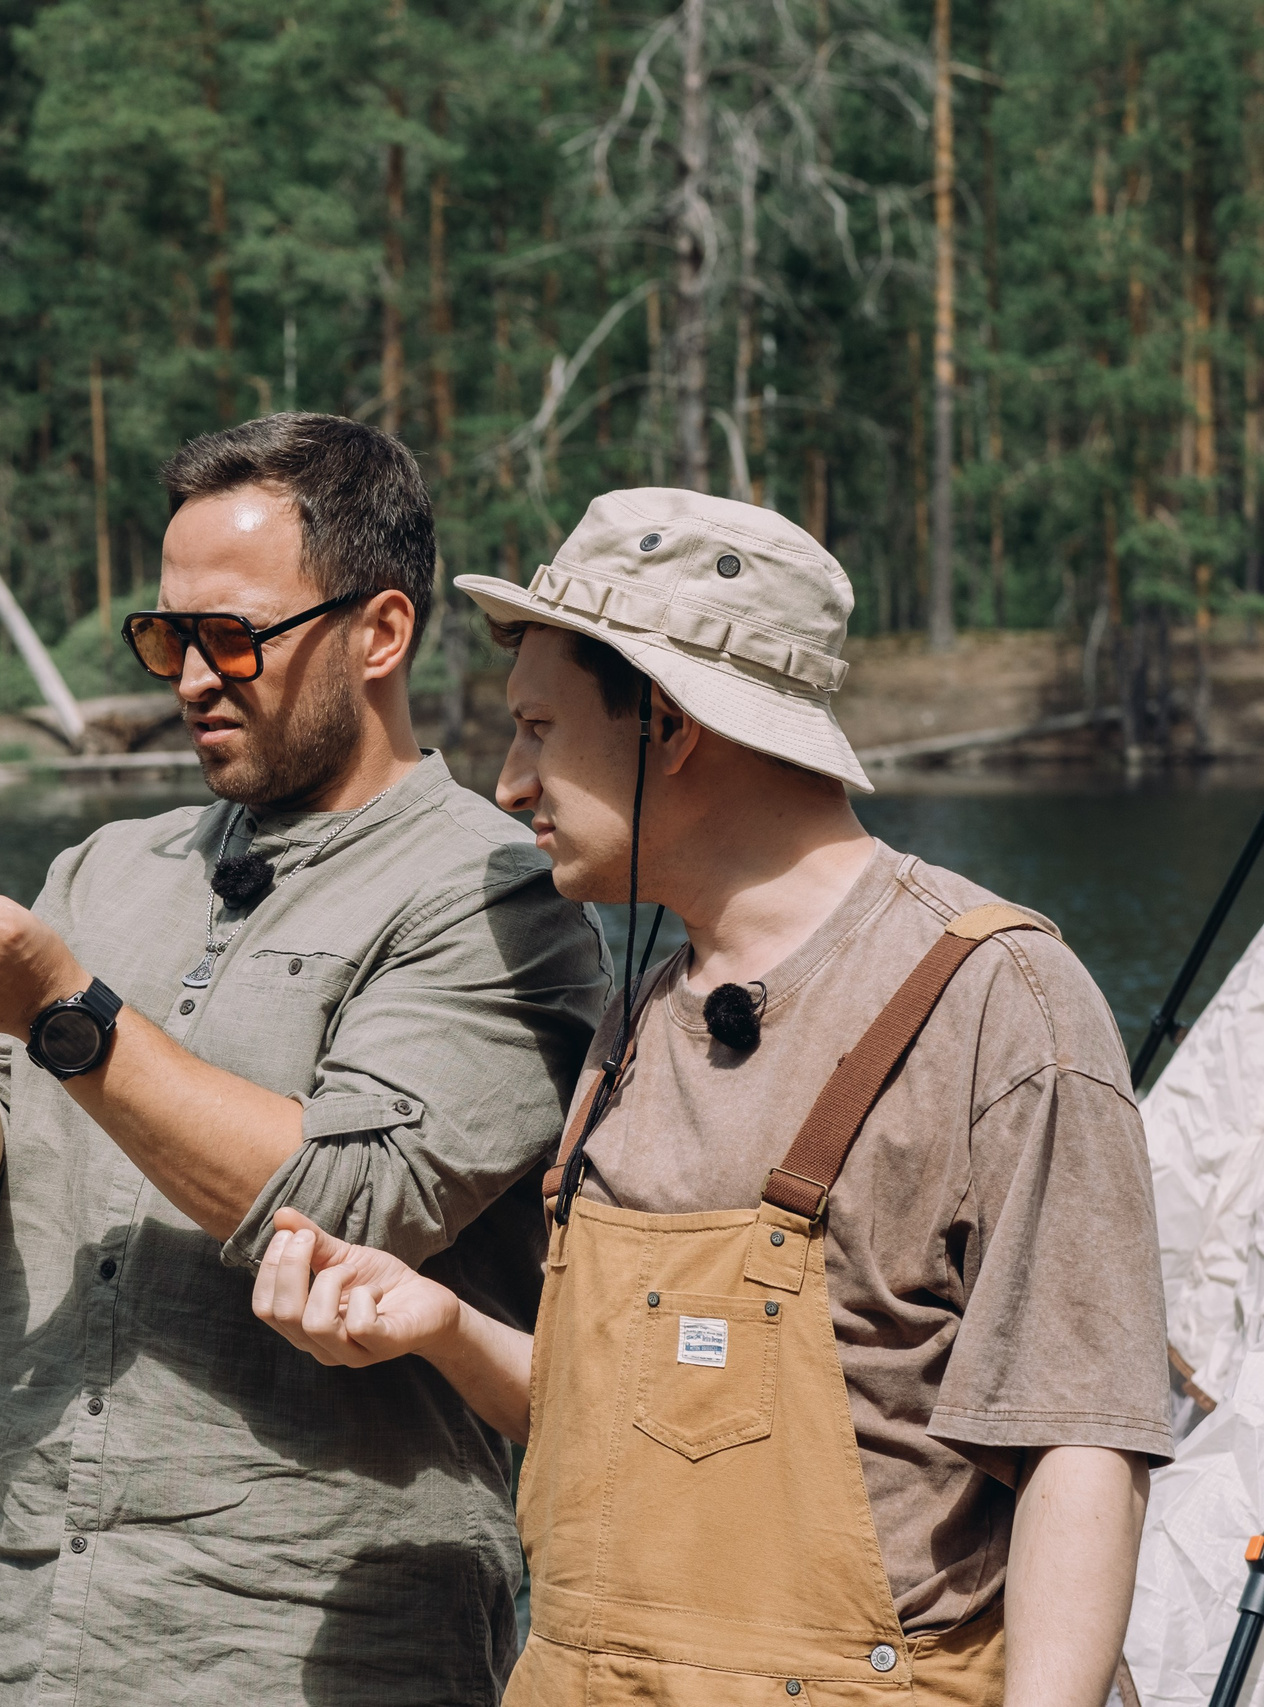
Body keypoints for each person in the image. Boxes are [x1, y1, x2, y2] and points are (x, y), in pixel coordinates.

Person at [253, 488, 1171, 1707]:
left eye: (536, 728)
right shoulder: (643, 1006)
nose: (510, 785)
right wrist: (438, 1326)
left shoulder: (996, 1000)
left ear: (667, 723)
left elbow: (1081, 1447)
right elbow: (654, 1427)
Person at [0, 413, 608, 1706]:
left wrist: (65, 1013)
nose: (190, 675)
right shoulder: (100, 868)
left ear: (381, 632)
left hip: (315, 1658)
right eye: (167, 635)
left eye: (232, 635)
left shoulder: (494, 896)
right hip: (29, 1644)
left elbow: (350, 1203)